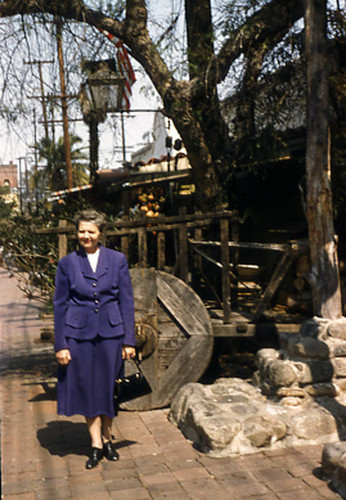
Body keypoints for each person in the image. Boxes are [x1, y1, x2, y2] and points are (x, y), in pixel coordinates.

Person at [53, 209, 136, 469]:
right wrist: (61, 345)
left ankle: (108, 438)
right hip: (78, 335)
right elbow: (60, 305)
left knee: (109, 388)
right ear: (76, 233)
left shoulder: (117, 259)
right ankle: (96, 445)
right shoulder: (67, 263)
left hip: (112, 333)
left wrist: (129, 340)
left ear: (100, 233)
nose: (86, 236)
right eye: (81, 231)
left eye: (91, 231)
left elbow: (126, 301)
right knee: (88, 388)